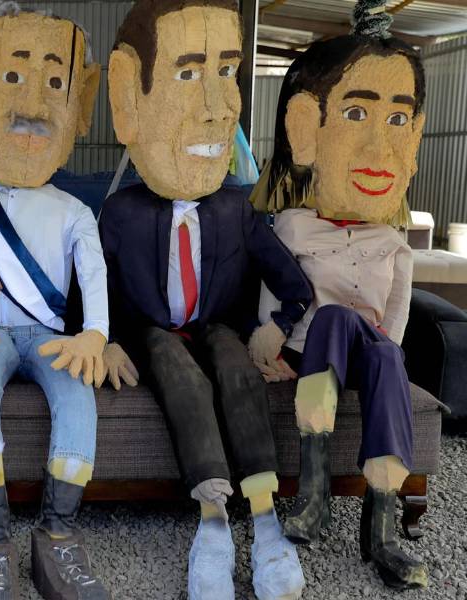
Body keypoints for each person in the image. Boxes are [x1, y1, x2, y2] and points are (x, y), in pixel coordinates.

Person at [99, 1, 312, 598]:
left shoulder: (235, 209)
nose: (217, 105)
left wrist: (279, 325)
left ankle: (266, 521)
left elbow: (292, 282)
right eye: (189, 73)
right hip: (155, 328)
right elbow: (94, 287)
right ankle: (214, 523)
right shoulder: (121, 212)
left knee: (233, 362)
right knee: (172, 363)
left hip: (217, 323)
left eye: (226, 73)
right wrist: (107, 338)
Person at [0, 3, 110, 599]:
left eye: (55, 81)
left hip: (49, 334)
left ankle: (57, 536)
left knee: (77, 402)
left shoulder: (74, 210)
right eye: (13, 75)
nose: (33, 105)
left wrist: (96, 334)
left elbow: (94, 269)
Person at [250, 0, 428, 589]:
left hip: (369, 359)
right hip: (310, 353)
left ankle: (377, 528)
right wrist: (268, 343)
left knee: (380, 347)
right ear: (307, 130)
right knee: (330, 319)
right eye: (357, 113)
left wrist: (389, 360)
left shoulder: (395, 245)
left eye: (400, 120)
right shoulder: (293, 224)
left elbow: (395, 323)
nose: (381, 146)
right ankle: (317, 493)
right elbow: (273, 289)